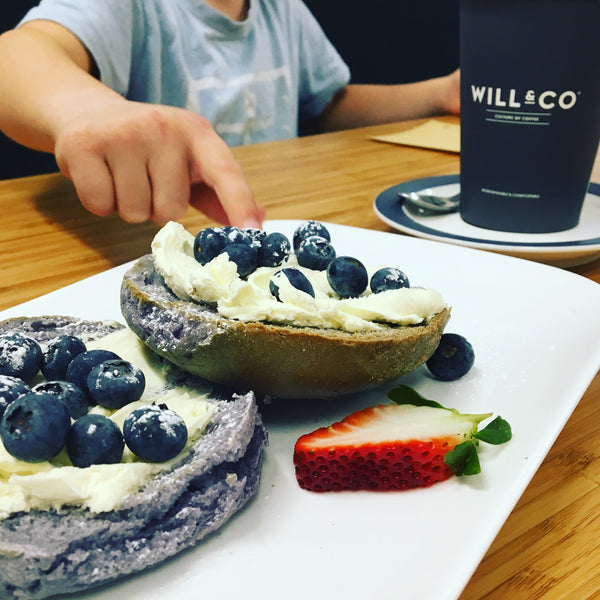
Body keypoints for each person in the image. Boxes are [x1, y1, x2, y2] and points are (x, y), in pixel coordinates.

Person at [0, 0, 460, 228]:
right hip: (154, 244)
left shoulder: (282, 8)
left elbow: (328, 104)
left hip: (280, 224)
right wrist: (88, 110)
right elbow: (16, 55)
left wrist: (440, 94)